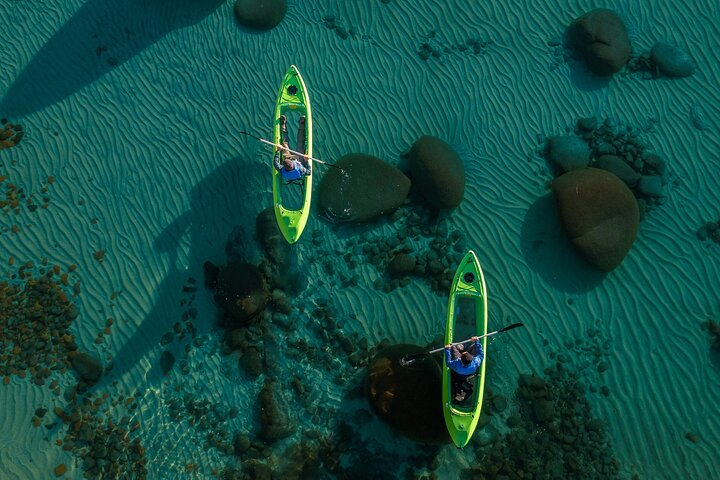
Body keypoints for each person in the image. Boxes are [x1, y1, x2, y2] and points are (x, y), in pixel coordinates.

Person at [445, 336, 484, 402]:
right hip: (467, 374)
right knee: (475, 346)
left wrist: (447, 350)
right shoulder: (476, 362)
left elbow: (448, 363)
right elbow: (481, 354)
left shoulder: (457, 363)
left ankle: (461, 347)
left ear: (460, 359)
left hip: (459, 373)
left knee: (452, 345)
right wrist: (477, 341)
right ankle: (465, 348)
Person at [274, 114, 311, 181]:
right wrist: (306, 161)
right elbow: (309, 172)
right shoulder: (300, 169)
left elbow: (275, 163)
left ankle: (283, 125)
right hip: (298, 160)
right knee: (300, 143)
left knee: (285, 143)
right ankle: (301, 124)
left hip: (287, 156)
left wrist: (278, 151)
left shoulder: (281, 169)